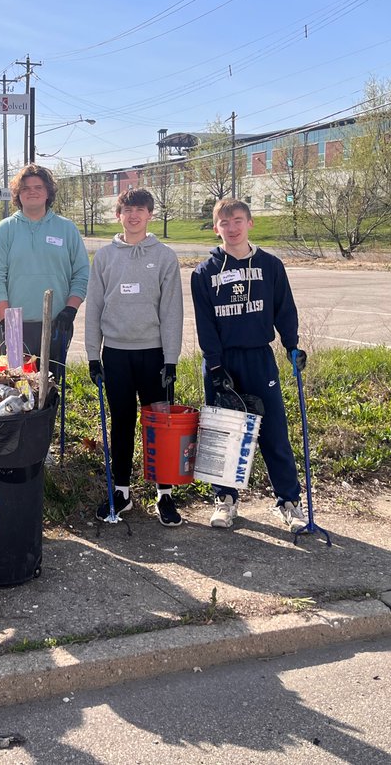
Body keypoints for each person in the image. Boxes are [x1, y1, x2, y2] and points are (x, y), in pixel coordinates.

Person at [190, 198, 309, 533]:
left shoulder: (270, 265)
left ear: (250, 223)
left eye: (238, 220)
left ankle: (288, 500)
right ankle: (225, 499)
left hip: (259, 356)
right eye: (225, 223)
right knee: (223, 433)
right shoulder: (205, 272)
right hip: (222, 361)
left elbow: (285, 309)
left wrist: (292, 345)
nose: (232, 228)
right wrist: (214, 364)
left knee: (273, 432)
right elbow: (205, 323)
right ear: (216, 228)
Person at [84, 188, 185, 526]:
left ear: (150, 215)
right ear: (119, 215)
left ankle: (164, 494)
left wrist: (170, 359)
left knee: (159, 425)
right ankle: (122, 491)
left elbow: (172, 311)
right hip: (115, 354)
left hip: (154, 354)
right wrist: (92, 355)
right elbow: (94, 307)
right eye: (128, 210)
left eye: (141, 210)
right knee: (122, 422)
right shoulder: (104, 257)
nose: (134, 216)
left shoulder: (165, 256)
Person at [0, 164, 89, 381]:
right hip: (14, 322)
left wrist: (70, 311)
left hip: (56, 323)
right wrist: (6, 320)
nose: (32, 191)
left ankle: (49, 417)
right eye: (25, 188)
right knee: (16, 389)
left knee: (50, 389)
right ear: (17, 194)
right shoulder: (5, 229)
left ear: (48, 192)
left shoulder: (66, 229)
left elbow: (81, 273)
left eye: (38, 187)